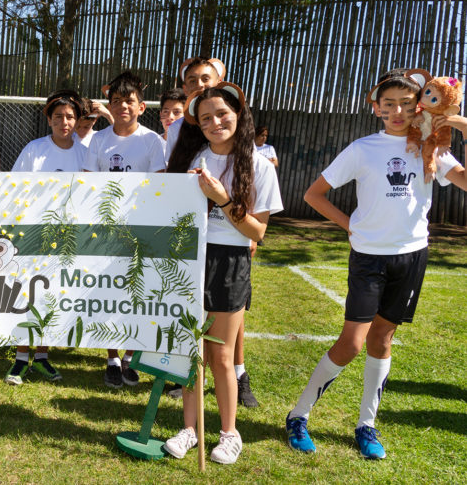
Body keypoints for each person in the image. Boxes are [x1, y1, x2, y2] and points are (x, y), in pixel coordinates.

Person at [286, 68, 467, 460]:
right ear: (376, 108)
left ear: (419, 106)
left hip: (412, 256)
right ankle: (298, 415)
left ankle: (366, 425)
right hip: (369, 258)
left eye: (406, 103)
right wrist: (349, 225)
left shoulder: (431, 147)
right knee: (352, 343)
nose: (398, 112)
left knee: (382, 339)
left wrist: (462, 126)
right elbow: (314, 194)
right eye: (389, 104)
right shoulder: (362, 149)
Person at [163, 84, 282, 464]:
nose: (215, 123)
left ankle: (230, 433)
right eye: (206, 118)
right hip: (191, 258)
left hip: (230, 260)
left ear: (238, 115)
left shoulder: (260, 166)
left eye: (222, 114)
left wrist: (222, 199)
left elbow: (257, 232)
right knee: (189, 350)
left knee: (221, 354)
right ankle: (189, 429)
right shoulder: (193, 159)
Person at [83, 71, 166, 388]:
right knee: (108, 292)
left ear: (141, 107)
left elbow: (158, 187)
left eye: (129, 101)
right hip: (106, 230)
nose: (123, 106)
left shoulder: (151, 141)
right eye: (116, 101)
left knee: (136, 293)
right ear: (110, 106)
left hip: (140, 230)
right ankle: (112, 358)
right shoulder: (98, 140)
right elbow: (89, 183)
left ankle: (131, 355)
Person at [5, 89, 88, 386]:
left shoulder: (84, 153)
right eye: (58, 117)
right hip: (34, 233)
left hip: (67, 237)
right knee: (26, 294)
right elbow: (15, 187)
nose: (64, 122)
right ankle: (20, 357)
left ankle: (42, 356)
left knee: (51, 296)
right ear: (49, 120)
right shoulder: (34, 149)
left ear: (77, 120)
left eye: (70, 117)